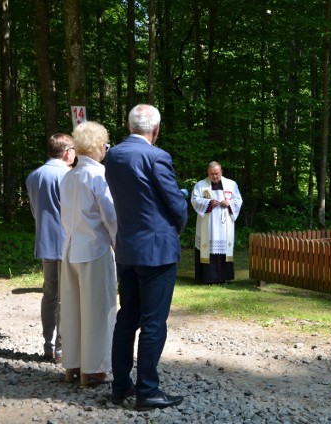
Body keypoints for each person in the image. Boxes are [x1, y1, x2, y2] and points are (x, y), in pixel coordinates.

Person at [104, 104, 188, 411]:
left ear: (129, 126)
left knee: (127, 318)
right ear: (155, 129)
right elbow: (176, 204)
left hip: (126, 247)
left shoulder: (112, 155)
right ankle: (148, 390)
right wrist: (177, 227)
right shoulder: (157, 156)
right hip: (157, 249)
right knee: (153, 322)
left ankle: (120, 387)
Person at [59, 121, 117, 387]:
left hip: (70, 248)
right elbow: (110, 216)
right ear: (98, 147)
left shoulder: (69, 176)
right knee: (98, 311)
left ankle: (73, 364)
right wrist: (119, 244)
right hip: (94, 249)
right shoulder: (99, 176)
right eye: (105, 144)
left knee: (72, 309)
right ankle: (93, 370)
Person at [26, 133, 76, 363]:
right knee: (65, 297)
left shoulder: (34, 176)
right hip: (67, 242)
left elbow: (35, 212)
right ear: (67, 152)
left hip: (45, 241)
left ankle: (48, 345)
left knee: (49, 295)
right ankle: (61, 349)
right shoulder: (67, 175)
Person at [191, 161, 243, 284]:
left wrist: (229, 203)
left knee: (224, 247)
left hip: (225, 225)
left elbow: (238, 200)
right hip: (208, 224)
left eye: (217, 173)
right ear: (207, 173)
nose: (215, 176)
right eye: (212, 174)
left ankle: (224, 277)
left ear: (221, 172)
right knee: (207, 247)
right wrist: (209, 203)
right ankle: (208, 278)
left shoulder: (231, 184)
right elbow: (194, 200)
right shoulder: (200, 185)